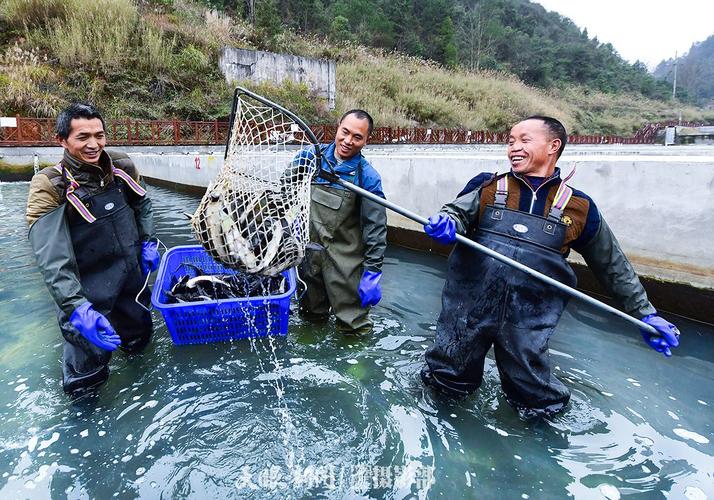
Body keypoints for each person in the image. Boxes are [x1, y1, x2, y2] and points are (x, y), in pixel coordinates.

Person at [420, 116, 680, 417]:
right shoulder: (487, 187)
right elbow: (456, 212)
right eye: (510, 141)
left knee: (537, 400)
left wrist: (644, 313)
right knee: (445, 380)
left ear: (553, 146)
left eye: (524, 140)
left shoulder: (580, 208)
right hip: (466, 312)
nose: (513, 148)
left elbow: (612, 266)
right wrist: (447, 221)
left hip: (528, 320)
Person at [26, 102, 160, 394]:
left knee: (141, 349)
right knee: (85, 382)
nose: (93, 144)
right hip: (87, 294)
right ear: (61, 140)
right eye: (82, 137)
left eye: (99, 135)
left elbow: (142, 203)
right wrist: (76, 309)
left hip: (132, 286)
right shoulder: (49, 185)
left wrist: (149, 240)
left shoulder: (121, 166)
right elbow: (52, 259)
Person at [297, 109, 387, 334]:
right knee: (310, 318)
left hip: (345, 261)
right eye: (345, 132)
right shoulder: (310, 158)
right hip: (309, 255)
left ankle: (356, 366)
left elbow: (375, 229)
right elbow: (283, 195)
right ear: (337, 127)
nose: (348, 141)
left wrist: (372, 271)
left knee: (353, 326)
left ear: (367, 140)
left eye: (357, 137)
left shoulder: (367, 177)